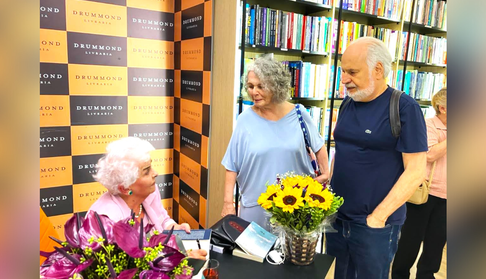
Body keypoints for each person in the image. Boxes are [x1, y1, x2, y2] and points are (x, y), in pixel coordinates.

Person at [325, 37, 428, 279]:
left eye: (352, 72)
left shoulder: (404, 108)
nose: (344, 79)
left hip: (374, 226)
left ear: (378, 70)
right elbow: (343, 151)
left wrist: (378, 217)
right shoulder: (347, 104)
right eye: (342, 71)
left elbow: (415, 171)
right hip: (337, 218)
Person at [221, 56, 330, 230]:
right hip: (255, 206)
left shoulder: (300, 114)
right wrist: (228, 203)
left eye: (260, 86)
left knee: (292, 254)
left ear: (276, 86)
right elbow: (231, 165)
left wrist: (325, 173)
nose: (253, 92)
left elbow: (319, 146)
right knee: (253, 256)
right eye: (250, 86)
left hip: (296, 205)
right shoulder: (244, 120)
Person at [88, 137, 207, 260]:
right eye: (146, 171)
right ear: (124, 188)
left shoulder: (150, 192)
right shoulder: (105, 220)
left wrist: (175, 228)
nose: (155, 173)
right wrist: (180, 260)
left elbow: (163, 219)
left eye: (151, 166)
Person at [392, 88, 447, 279]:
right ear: (443, 108)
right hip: (425, 193)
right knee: (410, 241)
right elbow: (429, 154)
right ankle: (399, 275)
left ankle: (426, 275)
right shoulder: (429, 125)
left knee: (436, 243)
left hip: (449, 196)